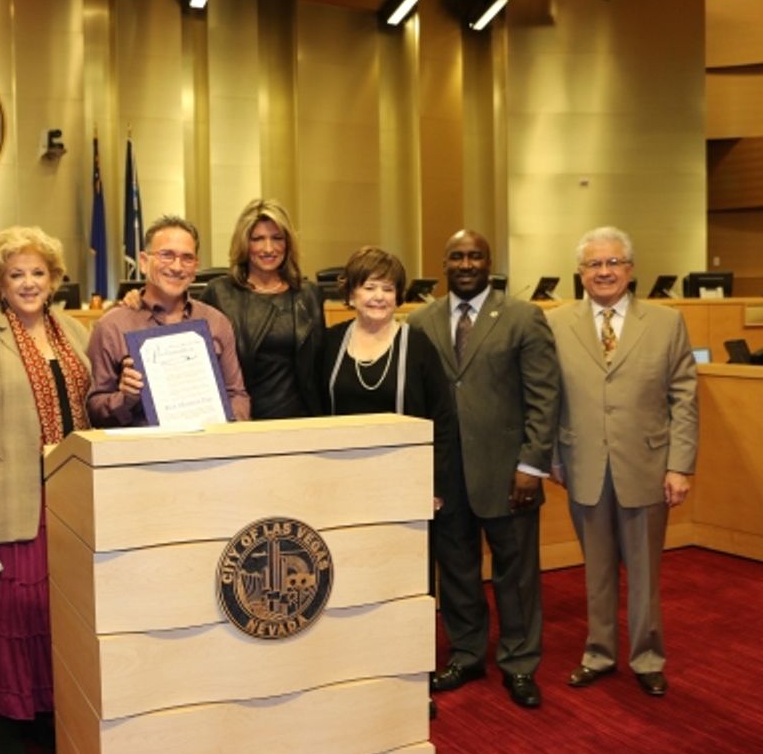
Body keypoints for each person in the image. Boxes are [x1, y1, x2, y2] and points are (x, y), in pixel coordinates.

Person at [0, 226, 92, 754]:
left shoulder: (76, 333)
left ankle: (46, 716)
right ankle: (8, 744)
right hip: (10, 505)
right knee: (12, 621)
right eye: (16, 274)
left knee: (60, 621)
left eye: (38, 273)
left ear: (54, 280)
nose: (28, 283)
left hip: (70, 503)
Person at [408, 229, 559, 709]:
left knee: (517, 575)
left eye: (475, 255)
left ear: (489, 262)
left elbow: (544, 395)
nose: (466, 263)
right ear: (444, 263)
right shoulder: (419, 321)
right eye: (457, 256)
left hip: (508, 472)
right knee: (456, 571)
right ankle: (468, 653)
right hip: (447, 474)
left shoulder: (523, 317)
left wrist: (532, 464)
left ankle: (519, 662)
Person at [547, 226, 698, 697]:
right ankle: (599, 653)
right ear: (580, 273)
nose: (604, 272)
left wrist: (681, 465)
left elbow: (685, 398)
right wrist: (552, 456)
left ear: (630, 270)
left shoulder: (666, 322)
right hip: (583, 464)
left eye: (613, 263)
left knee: (645, 571)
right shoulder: (555, 323)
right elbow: (547, 398)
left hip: (647, 466)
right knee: (596, 569)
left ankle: (647, 657)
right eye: (594, 264)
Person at [320, 246, 457, 503]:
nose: (379, 297)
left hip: (405, 480)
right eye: (370, 287)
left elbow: (443, 420)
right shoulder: (330, 343)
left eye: (388, 288)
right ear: (351, 293)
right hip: (340, 479)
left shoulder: (418, 346)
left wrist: (434, 485)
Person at [87, 215, 251, 427]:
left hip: (211, 451)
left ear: (195, 268)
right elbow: (92, 409)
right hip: (141, 454)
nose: (177, 266)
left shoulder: (216, 322)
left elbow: (236, 393)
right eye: (166, 255)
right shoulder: (112, 326)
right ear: (144, 262)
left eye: (187, 258)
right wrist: (124, 398)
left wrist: (231, 428)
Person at [199, 199, 326, 418]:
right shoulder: (219, 293)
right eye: (258, 239)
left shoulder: (308, 294)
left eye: (277, 238)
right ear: (244, 243)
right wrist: (137, 300)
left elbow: (321, 366)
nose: (269, 248)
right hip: (241, 419)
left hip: (301, 420)